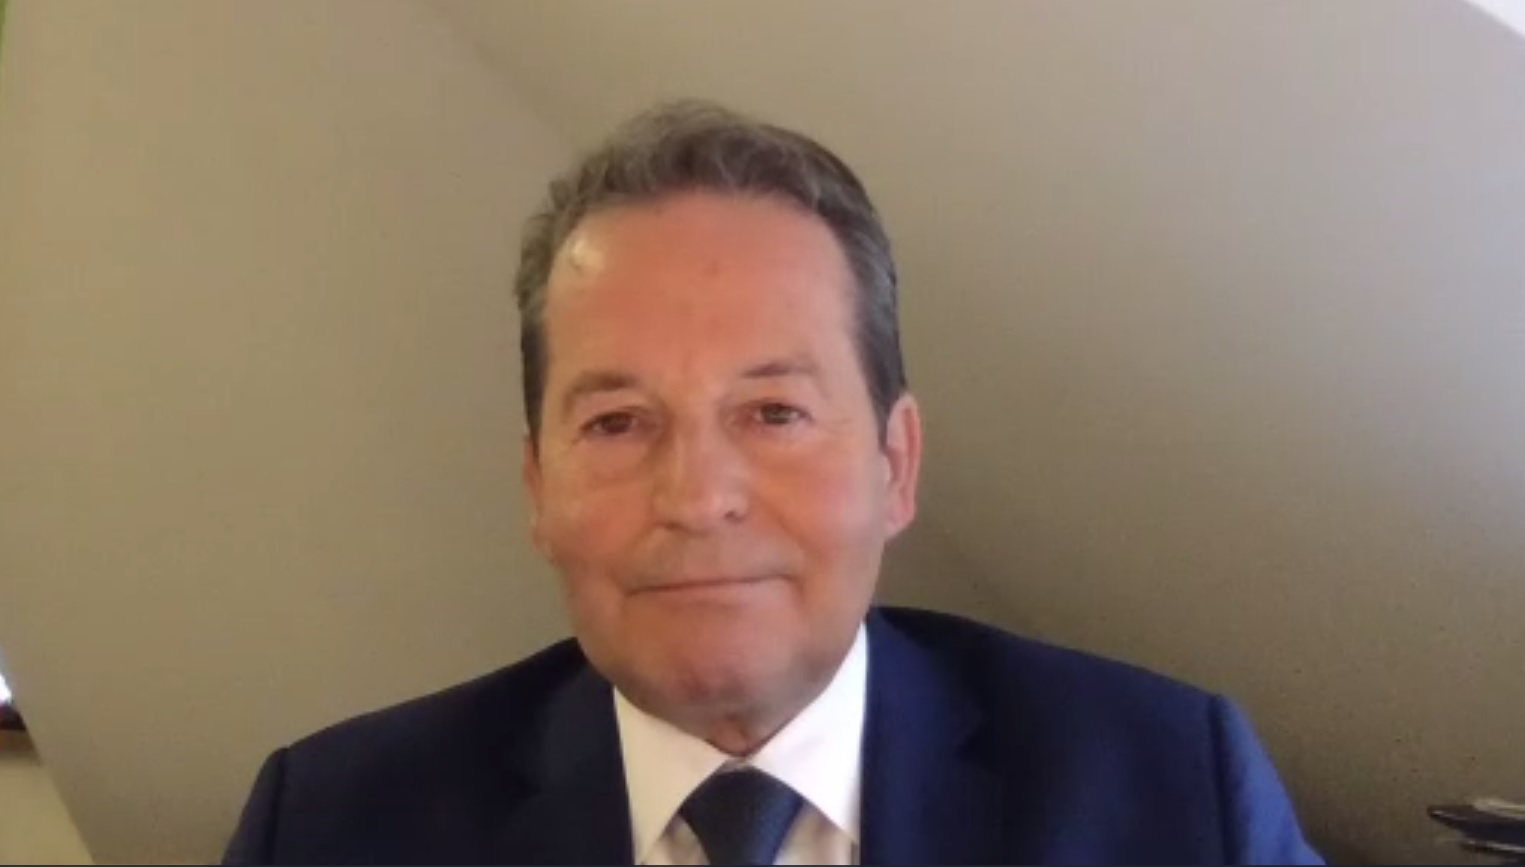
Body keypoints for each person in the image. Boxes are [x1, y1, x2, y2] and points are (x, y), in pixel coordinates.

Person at [223, 100, 1322, 865]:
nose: (697, 497)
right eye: (617, 422)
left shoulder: (1172, 793)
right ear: (537, 486)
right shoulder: (329, 828)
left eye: (773, 413)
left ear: (896, 464)